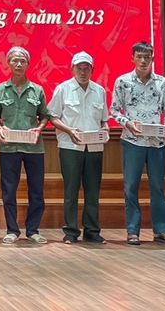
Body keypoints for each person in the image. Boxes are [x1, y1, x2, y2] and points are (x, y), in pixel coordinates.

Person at [111, 41, 165, 246]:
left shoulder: (162, 83)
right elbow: (114, 110)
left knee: (157, 187)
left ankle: (161, 230)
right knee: (131, 187)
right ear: (132, 58)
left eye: (147, 57)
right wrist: (127, 123)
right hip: (132, 140)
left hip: (157, 142)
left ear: (152, 59)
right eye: (139, 57)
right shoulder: (123, 81)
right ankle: (133, 231)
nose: (143, 61)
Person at [48, 51, 109, 245]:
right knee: (71, 190)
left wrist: (105, 129)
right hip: (70, 146)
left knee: (93, 191)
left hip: (94, 147)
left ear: (92, 70)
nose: (83, 72)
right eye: (79, 68)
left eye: (86, 68)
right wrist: (69, 129)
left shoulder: (99, 90)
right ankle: (71, 231)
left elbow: (104, 119)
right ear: (72, 69)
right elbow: (53, 116)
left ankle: (92, 231)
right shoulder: (63, 89)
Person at [0, 46, 49, 245]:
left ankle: (33, 230)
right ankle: (12, 230)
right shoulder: (0, 90)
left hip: (34, 148)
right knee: (9, 191)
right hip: (9, 148)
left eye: (22, 61)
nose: (18, 64)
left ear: (28, 64)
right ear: (8, 63)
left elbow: (45, 116)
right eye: (15, 60)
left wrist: (39, 128)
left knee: (36, 191)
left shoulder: (37, 90)